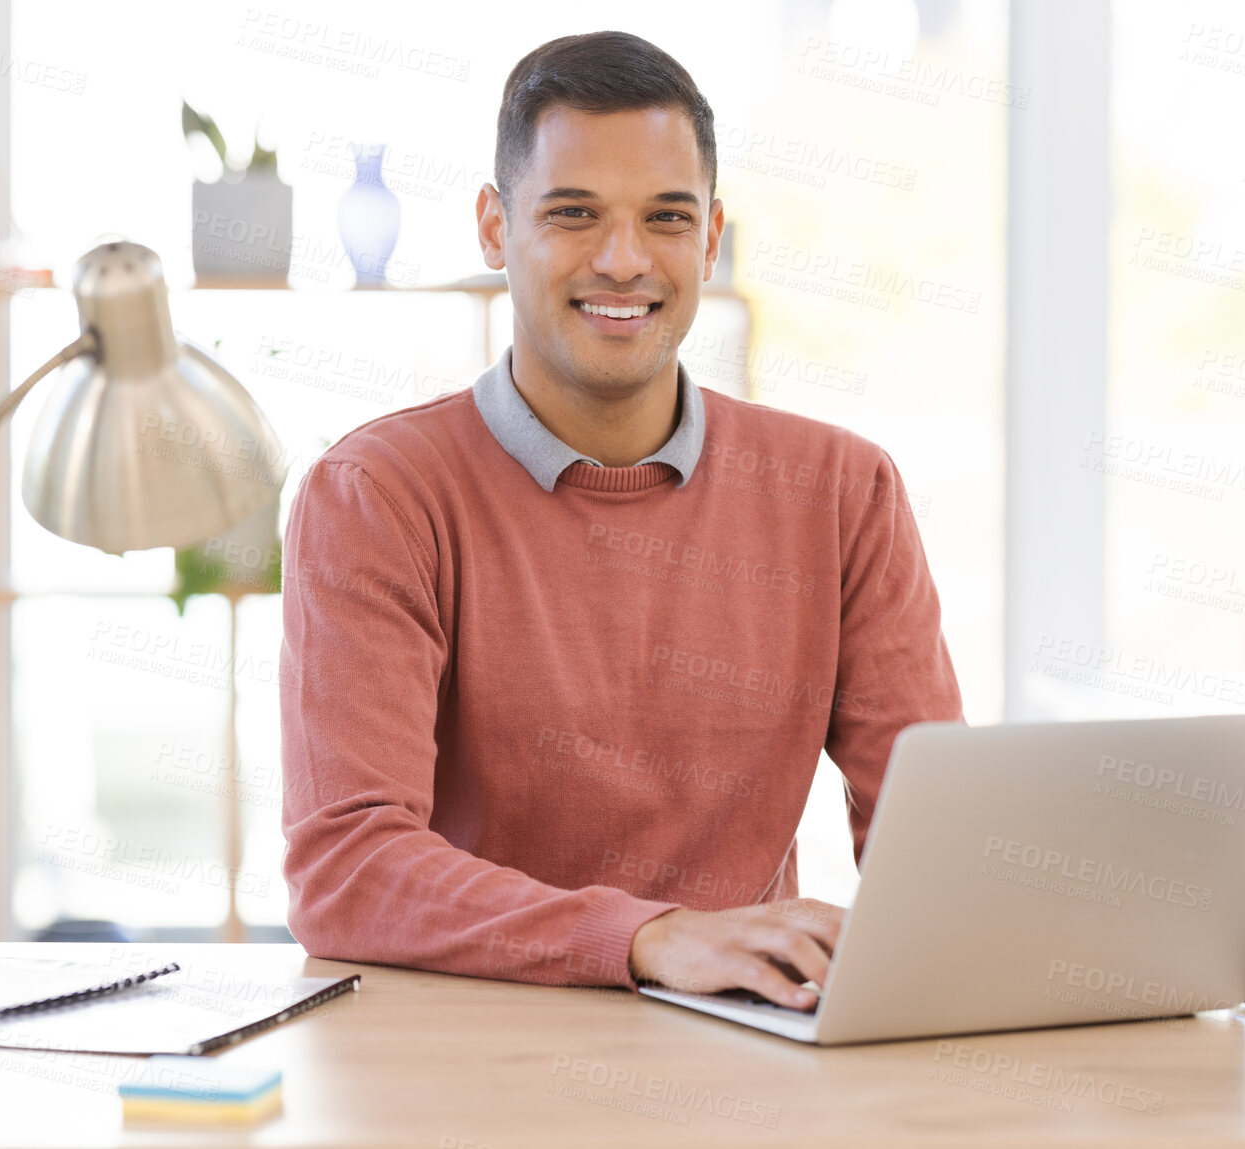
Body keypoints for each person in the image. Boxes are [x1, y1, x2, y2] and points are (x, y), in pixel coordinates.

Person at [280, 29, 962, 1010]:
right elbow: (348, 871)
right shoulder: (379, 495)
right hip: (465, 1055)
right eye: (573, 214)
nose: (623, 259)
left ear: (711, 236)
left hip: (749, 1051)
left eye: (666, 218)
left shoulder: (842, 492)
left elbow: (929, 843)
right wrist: (647, 936)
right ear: (491, 225)